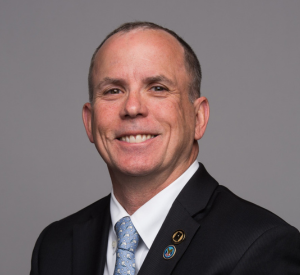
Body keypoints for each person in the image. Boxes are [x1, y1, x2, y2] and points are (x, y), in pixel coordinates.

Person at [30, 22, 300, 275]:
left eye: (157, 88)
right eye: (113, 91)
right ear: (89, 122)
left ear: (198, 118)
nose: (132, 108)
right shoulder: (55, 246)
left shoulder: (260, 245)